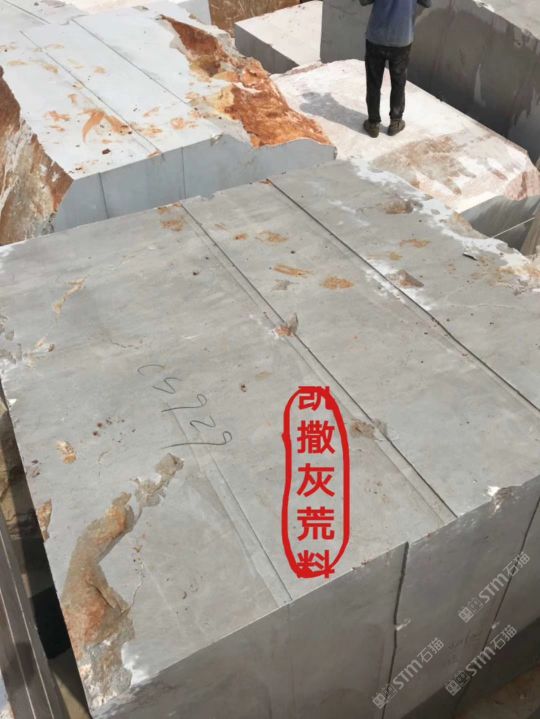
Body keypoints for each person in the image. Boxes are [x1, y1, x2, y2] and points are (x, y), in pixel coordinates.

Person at [359, 0, 432, 137]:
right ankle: (396, 122)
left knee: (373, 82)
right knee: (398, 83)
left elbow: (363, 1)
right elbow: (427, 3)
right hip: (402, 40)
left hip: (376, 39)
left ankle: (373, 124)